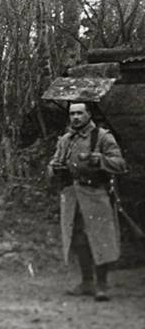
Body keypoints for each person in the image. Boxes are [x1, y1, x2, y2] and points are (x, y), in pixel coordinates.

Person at [48, 102, 126, 301]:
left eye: (79, 113)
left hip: (96, 195)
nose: (75, 117)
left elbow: (120, 164)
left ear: (88, 114)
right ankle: (87, 282)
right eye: (72, 114)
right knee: (79, 239)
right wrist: (55, 168)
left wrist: (98, 159)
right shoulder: (66, 139)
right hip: (73, 196)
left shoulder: (102, 136)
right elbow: (53, 163)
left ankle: (101, 285)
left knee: (100, 239)